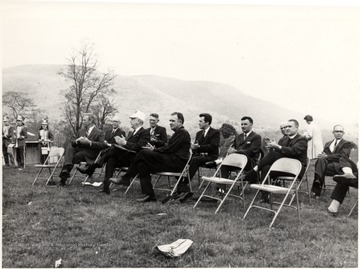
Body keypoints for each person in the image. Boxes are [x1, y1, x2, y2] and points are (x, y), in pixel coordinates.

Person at [112, 112, 191, 202]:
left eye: (173, 121)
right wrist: (154, 150)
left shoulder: (182, 133)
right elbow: (168, 148)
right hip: (171, 160)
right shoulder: (178, 133)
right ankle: (150, 195)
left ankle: (126, 177)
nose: (170, 123)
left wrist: (154, 150)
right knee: (142, 164)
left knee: (144, 152)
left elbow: (169, 149)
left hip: (176, 163)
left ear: (180, 122)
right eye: (170, 121)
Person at [77, 110, 150, 194]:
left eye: (133, 119)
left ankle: (91, 168)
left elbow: (139, 147)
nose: (130, 121)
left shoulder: (145, 132)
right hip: (126, 157)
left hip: (134, 160)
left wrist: (125, 143)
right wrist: (121, 143)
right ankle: (106, 188)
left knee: (113, 148)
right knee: (111, 159)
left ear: (139, 121)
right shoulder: (132, 132)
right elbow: (128, 145)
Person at [242, 119, 308, 202]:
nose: (287, 128)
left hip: (295, 168)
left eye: (290, 126)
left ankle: (253, 172)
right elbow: (279, 154)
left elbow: (294, 151)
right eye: (286, 126)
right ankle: (265, 197)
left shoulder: (301, 140)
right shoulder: (284, 140)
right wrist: (273, 148)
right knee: (266, 167)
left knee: (273, 155)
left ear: (297, 128)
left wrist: (278, 147)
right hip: (283, 166)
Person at [176, 113, 220, 195]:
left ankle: (183, 183)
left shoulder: (215, 132)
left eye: (200, 121)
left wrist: (199, 147)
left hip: (210, 157)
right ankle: (179, 178)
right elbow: (196, 147)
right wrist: (193, 148)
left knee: (195, 159)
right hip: (199, 156)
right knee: (184, 157)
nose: (198, 123)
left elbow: (213, 146)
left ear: (207, 122)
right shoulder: (198, 133)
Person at [58, 113, 107, 186]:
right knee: (70, 147)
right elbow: (74, 144)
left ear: (90, 121)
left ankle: (63, 179)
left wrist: (90, 142)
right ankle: (67, 166)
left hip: (91, 154)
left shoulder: (99, 132)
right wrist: (77, 140)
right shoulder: (81, 131)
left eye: (84, 120)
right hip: (80, 152)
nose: (82, 121)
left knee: (70, 157)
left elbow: (103, 145)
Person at [311, 125, 354, 198]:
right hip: (327, 166)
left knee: (320, 166)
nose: (339, 133)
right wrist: (322, 155)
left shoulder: (347, 143)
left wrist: (327, 157)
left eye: (341, 131)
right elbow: (325, 155)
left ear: (343, 133)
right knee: (320, 160)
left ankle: (317, 190)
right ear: (333, 132)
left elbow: (342, 156)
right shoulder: (328, 143)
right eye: (337, 131)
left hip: (339, 166)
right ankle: (318, 182)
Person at [218, 116, 261, 182]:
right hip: (236, 161)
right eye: (242, 124)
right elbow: (233, 148)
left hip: (249, 162)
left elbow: (251, 151)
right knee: (224, 165)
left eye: (245, 124)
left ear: (251, 125)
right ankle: (221, 189)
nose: (243, 126)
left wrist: (236, 151)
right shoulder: (238, 137)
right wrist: (230, 151)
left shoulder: (256, 137)